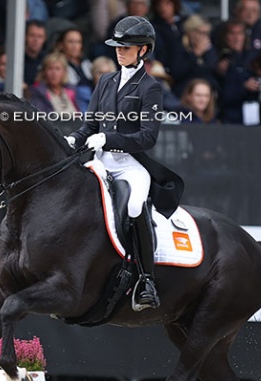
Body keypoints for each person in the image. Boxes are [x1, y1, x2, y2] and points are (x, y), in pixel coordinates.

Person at [66, 16, 184, 311]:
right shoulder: (106, 81)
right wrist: (73, 141)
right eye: (117, 46)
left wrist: (109, 139)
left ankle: (146, 280)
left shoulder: (150, 88)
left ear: (143, 50)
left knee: (133, 206)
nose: (120, 51)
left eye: (127, 47)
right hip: (100, 161)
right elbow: (89, 126)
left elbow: (147, 137)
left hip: (130, 164)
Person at [172, 14, 218, 97]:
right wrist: (196, 53)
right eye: (201, 33)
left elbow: (212, 67)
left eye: (207, 33)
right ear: (190, 32)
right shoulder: (179, 46)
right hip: (185, 90)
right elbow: (177, 72)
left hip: (207, 89)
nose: (204, 36)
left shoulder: (208, 46)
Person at [54, 28, 92, 111]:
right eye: (71, 42)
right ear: (61, 45)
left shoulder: (87, 63)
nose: (75, 45)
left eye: (78, 42)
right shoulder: (57, 65)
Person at [213, 19, 257, 87]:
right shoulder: (216, 57)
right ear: (225, 37)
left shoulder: (254, 57)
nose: (236, 38)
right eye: (232, 33)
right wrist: (220, 74)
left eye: (240, 33)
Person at [24, 20, 46, 88]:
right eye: (32, 35)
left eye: (40, 36)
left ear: (44, 39)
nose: (35, 40)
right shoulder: (17, 57)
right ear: (25, 36)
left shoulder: (47, 59)